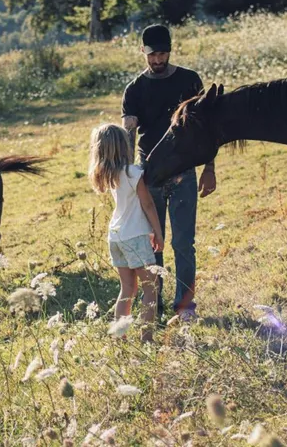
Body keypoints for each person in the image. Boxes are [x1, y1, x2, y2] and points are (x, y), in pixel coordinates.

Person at [121, 24, 216, 320]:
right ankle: (155, 306)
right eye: (152, 55)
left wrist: (209, 168)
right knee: (154, 244)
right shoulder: (134, 89)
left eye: (162, 54)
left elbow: (206, 129)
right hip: (150, 176)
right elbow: (129, 135)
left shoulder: (189, 81)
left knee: (184, 243)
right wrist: (128, 176)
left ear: (170, 51)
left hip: (184, 172)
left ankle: (185, 306)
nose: (157, 60)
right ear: (142, 52)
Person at [88, 123, 165, 342]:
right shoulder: (133, 173)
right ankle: (146, 337)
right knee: (152, 287)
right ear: (124, 146)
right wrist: (157, 233)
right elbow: (148, 204)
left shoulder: (108, 175)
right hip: (136, 236)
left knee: (127, 289)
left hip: (116, 235)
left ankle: (119, 337)